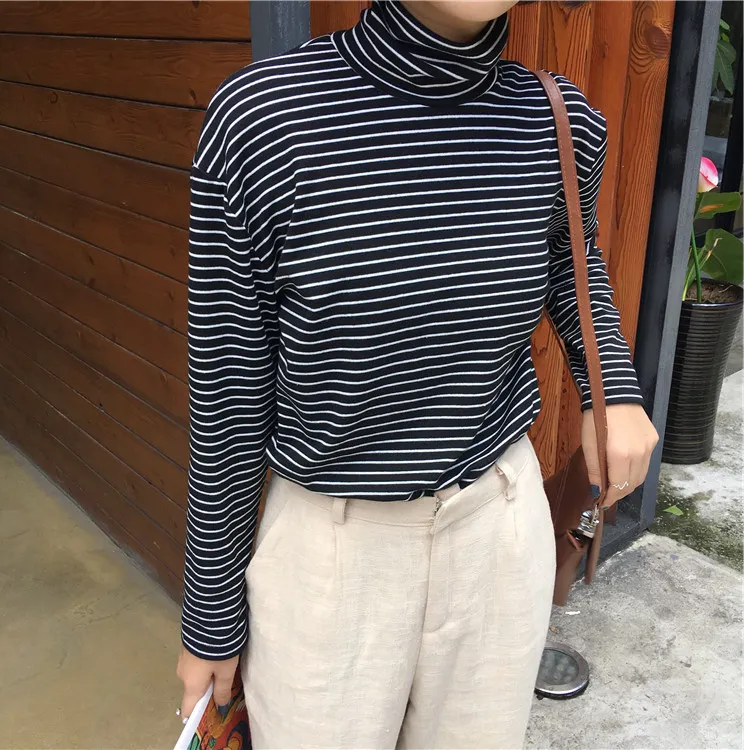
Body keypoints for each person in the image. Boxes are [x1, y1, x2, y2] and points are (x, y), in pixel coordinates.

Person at [176, 0, 659, 747]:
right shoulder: (265, 118)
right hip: (331, 552)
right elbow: (229, 393)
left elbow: (570, 257)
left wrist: (612, 391)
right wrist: (210, 618)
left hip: (498, 525)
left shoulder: (556, 120)